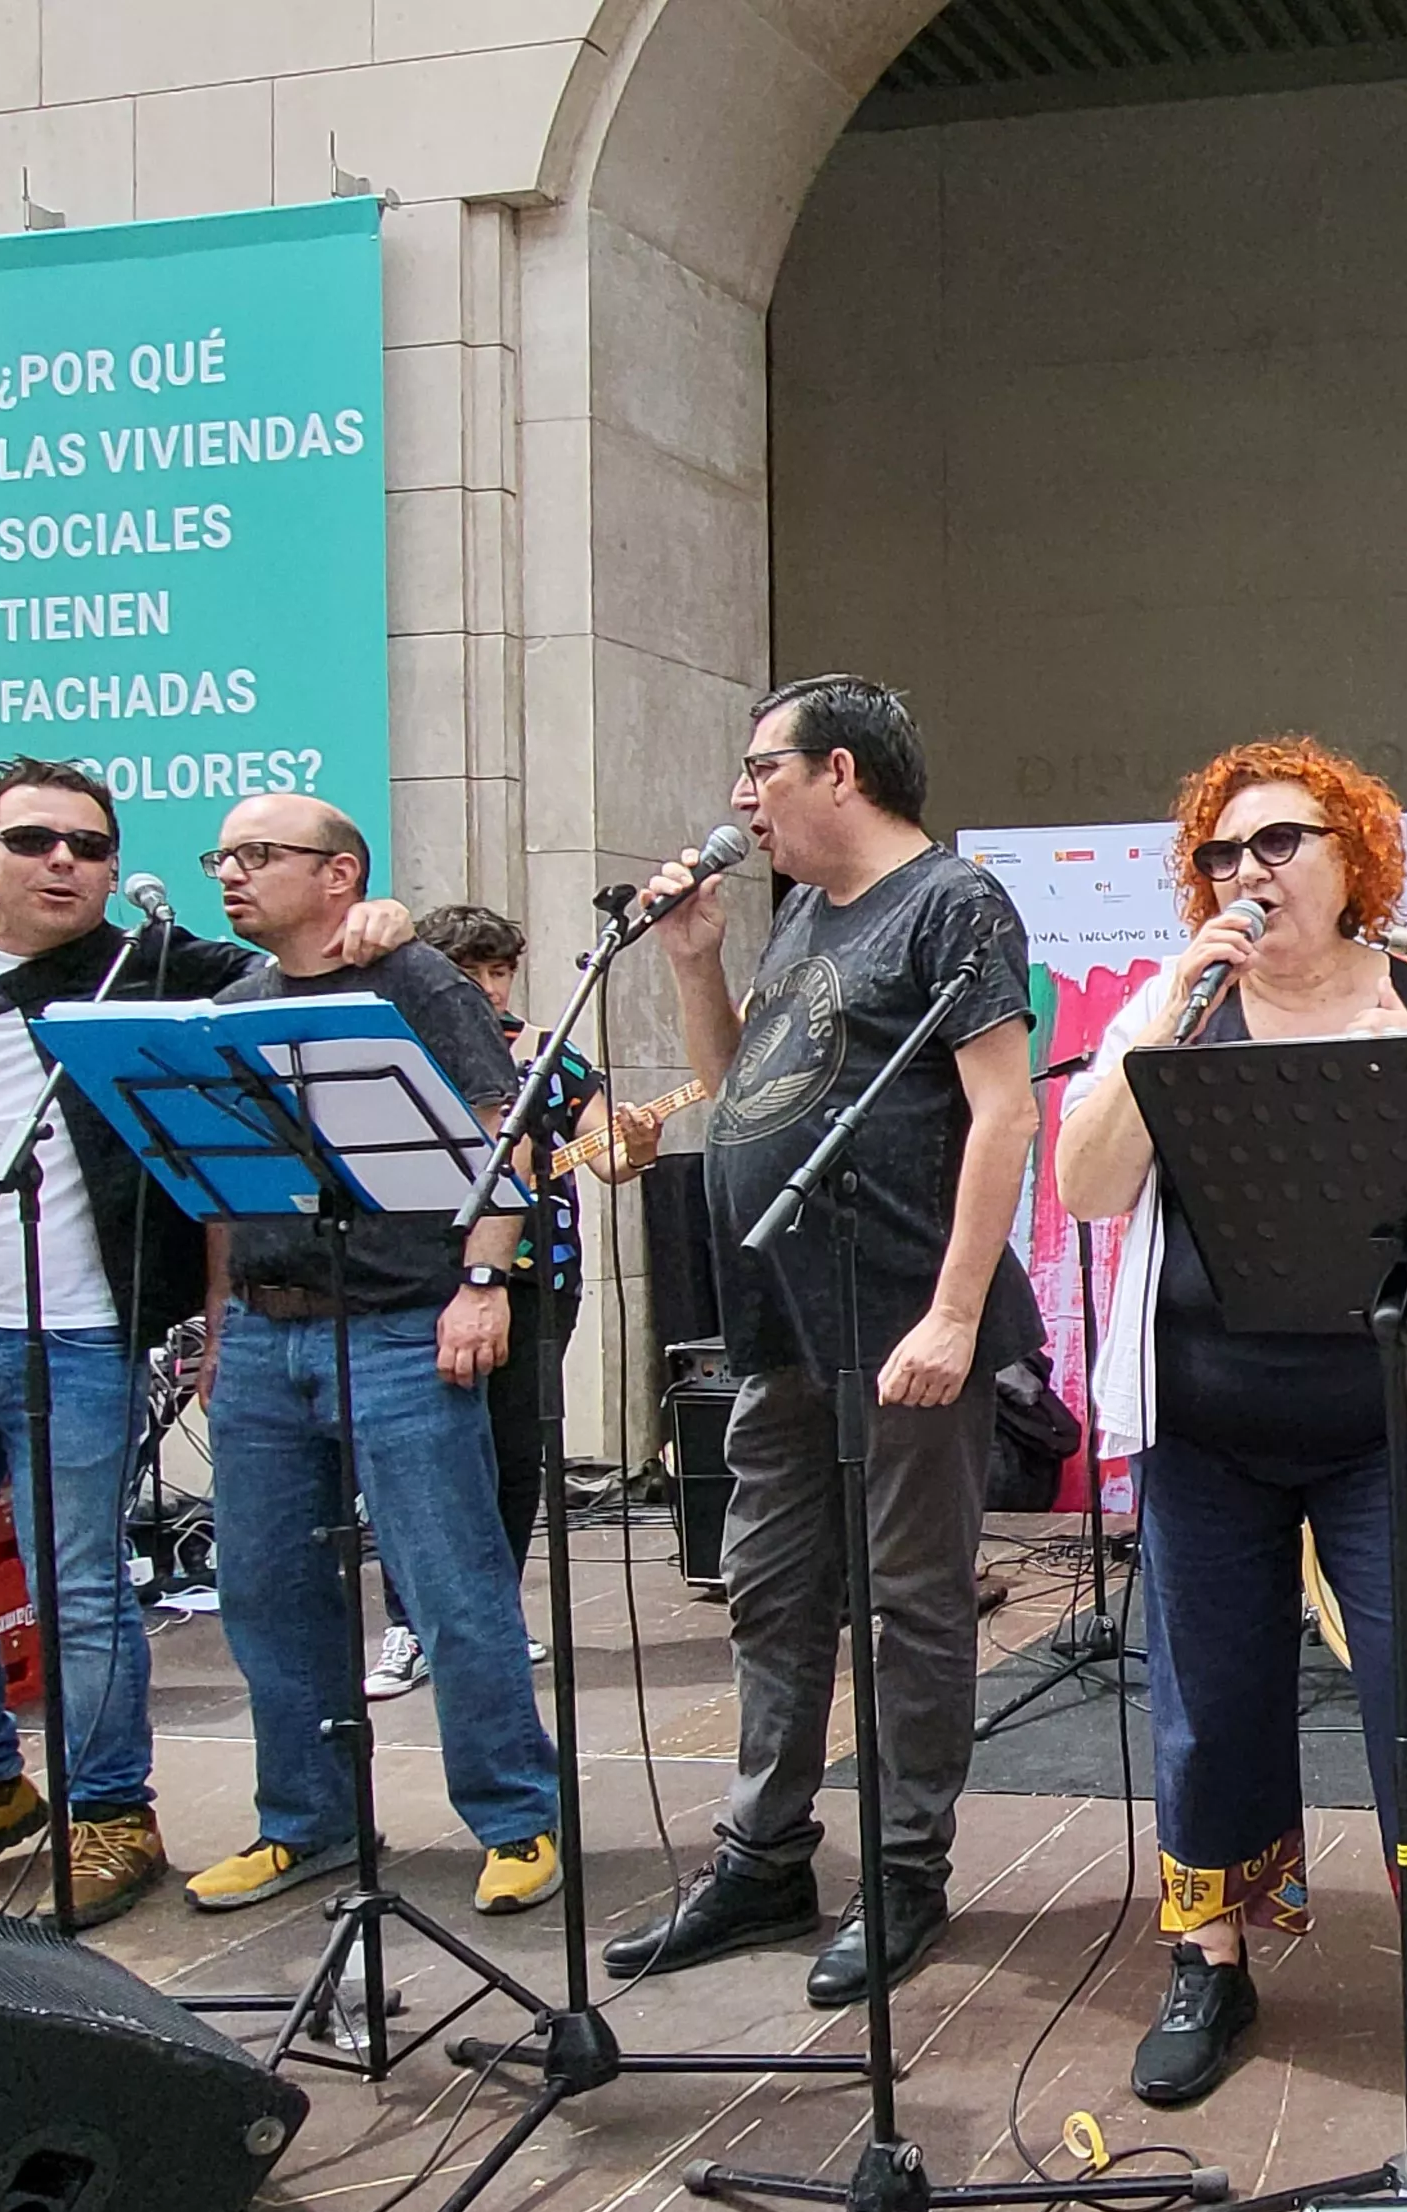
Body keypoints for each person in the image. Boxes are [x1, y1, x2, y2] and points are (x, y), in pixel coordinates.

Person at [1054, 735, 1407, 2137]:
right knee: (1210, 1703)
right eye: (1223, 854)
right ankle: (1210, 1958)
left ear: (1356, 860)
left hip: (1381, 1427)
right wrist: (1167, 1020)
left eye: (1281, 842)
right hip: (1204, 1425)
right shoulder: (1176, 1011)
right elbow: (1089, 1187)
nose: (1248, 871)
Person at [0, 757, 410, 1926]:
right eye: (32, 840)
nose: (63, 860)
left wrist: (383, 916)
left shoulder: (162, 963)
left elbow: (312, 957)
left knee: (82, 1588)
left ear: (117, 869)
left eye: (89, 844)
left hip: (76, 1332)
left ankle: (112, 1808)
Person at [599, 675, 1041, 2008]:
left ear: (838, 772)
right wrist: (692, 959)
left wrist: (956, 1316)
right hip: (780, 1321)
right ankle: (764, 1855)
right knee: (772, 1592)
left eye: (761, 770)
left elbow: (1003, 1115)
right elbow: (745, 1090)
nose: (741, 797)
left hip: (901, 1310)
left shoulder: (953, 901)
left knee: (912, 1604)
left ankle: (906, 1869)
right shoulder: (802, 918)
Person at [183, 794, 566, 1920]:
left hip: (401, 1319)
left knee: (450, 1582)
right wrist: (218, 1322)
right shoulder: (238, 1000)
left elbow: (510, 1130)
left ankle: (516, 1815)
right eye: (224, 856)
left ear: (340, 874)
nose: (231, 874)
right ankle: (303, 1821)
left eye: (258, 855)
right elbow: (220, 1181)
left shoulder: (415, 983)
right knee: (262, 1585)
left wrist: (484, 1281)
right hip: (265, 1324)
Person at [360, 903, 622, 1701]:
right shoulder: (397, 1054)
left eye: (499, 969)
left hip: (539, 1276)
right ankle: (410, 1623)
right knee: (416, 1459)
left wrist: (627, 1143)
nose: (488, 987)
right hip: (422, 1273)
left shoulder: (551, 1057)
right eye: (469, 971)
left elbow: (607, 1148)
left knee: (514, 1456)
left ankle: (492, 1610)